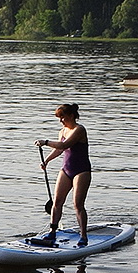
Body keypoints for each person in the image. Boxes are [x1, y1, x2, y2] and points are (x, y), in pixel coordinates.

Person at [35, 103, 92, 246]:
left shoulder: (79, 130)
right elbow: (59, 150)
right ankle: (52, 232)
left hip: (81, 171)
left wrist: (45, 142)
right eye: (59, 118)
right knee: (57, 202)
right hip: (66, 170)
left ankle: (83, 236)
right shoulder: (62, 131)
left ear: (71, 116)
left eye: (63, 117)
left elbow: (64, 145)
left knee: (78, 205)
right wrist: (46, 161)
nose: (61, 121)